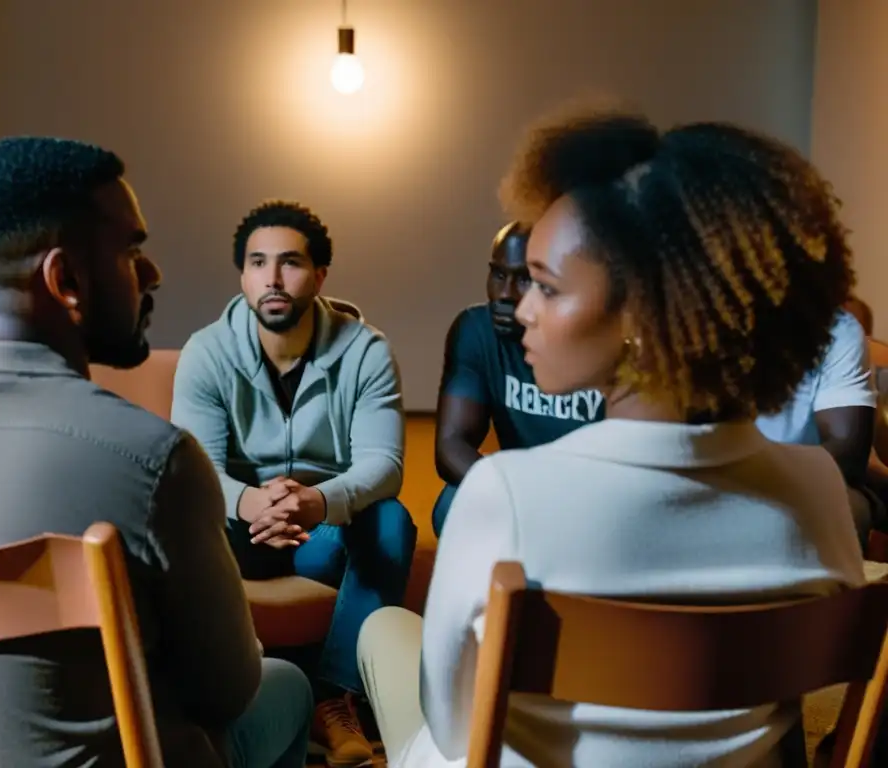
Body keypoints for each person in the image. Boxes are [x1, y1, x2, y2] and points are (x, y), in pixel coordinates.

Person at [355, 109, 866, 767]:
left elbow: (456, 728)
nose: (522, 308)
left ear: (642, 315)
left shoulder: (506, 492)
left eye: (546, 286)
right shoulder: (817, 487)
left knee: (384, 630)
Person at [0, 138, 313, 768]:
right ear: (66, 280)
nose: (152, 273)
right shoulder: (153, 459)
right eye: (131, 250)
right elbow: (228, 692)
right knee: (286, 684)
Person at [171, 200, 416, 767]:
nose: (273, 279)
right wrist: (252, 501)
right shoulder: (207, 352)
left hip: (320, 534)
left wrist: (318, 502)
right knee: (174, 520)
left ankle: (333, 698)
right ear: (243, 276)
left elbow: (384, 464)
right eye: (258, 263)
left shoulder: (366, 351)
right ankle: (222, 695)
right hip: (237, 531)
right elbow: (196, 469)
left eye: (291, 262)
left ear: (320, 275)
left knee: (390, 521)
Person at [433, 222, 604, 536]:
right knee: (453, 503)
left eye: (524, 279)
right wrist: (518, 496)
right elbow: (451, 444)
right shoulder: (477, 331)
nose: (505, 294)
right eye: (498, 275)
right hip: (522, 488)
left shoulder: (605, 339)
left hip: (598, 495)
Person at [754, 307, 879, 542]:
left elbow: (847, 458)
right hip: (703, 474)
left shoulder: (837, 329)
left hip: (807, 484)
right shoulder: (692, 324)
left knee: (849, 507)